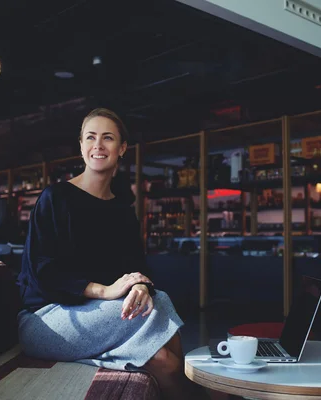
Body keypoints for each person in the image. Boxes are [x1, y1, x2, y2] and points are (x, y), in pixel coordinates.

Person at [17, 108, 204, 400]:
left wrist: (141, 284)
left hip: (97, 316)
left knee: (163, 360)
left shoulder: (122, 213)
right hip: (46, 319)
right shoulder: (55, 198)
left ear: (122, 149)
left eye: (108, 138)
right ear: (81, 146)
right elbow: (44, 273)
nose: (98, 145)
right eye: (90, 137)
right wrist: (105, 290)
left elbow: (137, 268)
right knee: (158, 307)